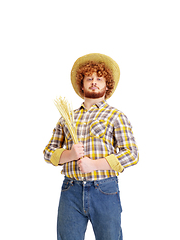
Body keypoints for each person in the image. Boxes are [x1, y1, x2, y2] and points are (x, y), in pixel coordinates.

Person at [43, 53, 139, 240]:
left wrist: (94, 165)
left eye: (99, 78)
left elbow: (131, 154)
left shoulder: (116, 116)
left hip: (105, 189)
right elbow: (48, 153)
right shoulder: (66, 118)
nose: (94, 82)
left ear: (107, 85)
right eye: (89, 78)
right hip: (71, 190)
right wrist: (69, 154)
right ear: (82, 83)